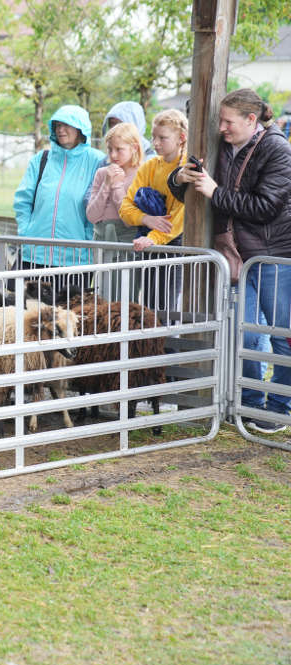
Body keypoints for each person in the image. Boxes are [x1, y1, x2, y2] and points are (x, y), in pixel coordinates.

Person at [171, 88, 291, 434]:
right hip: (237, 258)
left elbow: (264, 207)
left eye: (227, 121)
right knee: (248, 336)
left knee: (282, 334)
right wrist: (180, 179)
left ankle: (281, 406)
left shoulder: (277, 150)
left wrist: (214, 191)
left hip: (274, 256)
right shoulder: (222, 146)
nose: (221, 127)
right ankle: (251, 405)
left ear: (251, 120)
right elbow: (193, 189)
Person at [13, 105, 105, 289]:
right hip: (35, 253)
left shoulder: (97, 160)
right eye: (57, 125)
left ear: (81, 128)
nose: (60, 130)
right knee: (29, 312)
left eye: (67, 125)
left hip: (77, 258)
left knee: (70, 313)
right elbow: (23, 200)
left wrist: (88, 237)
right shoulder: (41, 158)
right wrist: (26, 231)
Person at [119, 109, 187, 315]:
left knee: (166, 305)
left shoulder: (186, 168)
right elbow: (125, 207)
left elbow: (177, 216)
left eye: (163, 138)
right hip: (148, 238)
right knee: (148, 304)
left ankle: (167, 345)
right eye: (153, 137)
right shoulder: (149, 166)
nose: (155, 143)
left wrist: (154, 237)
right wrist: (146, 219)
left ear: (181, 138)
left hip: (172, 242)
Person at [85, 121, 143, 300]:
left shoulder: (141, 173)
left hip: (126, 240)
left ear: (134, 147)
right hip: (102, 239)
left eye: (119, 149)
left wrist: (116, 186)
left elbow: (128, 218)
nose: (113, 154)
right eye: (110, 149)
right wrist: (107, 184)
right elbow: (92, 215)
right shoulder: (103, 173)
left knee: (125, 294)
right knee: (103, 294)